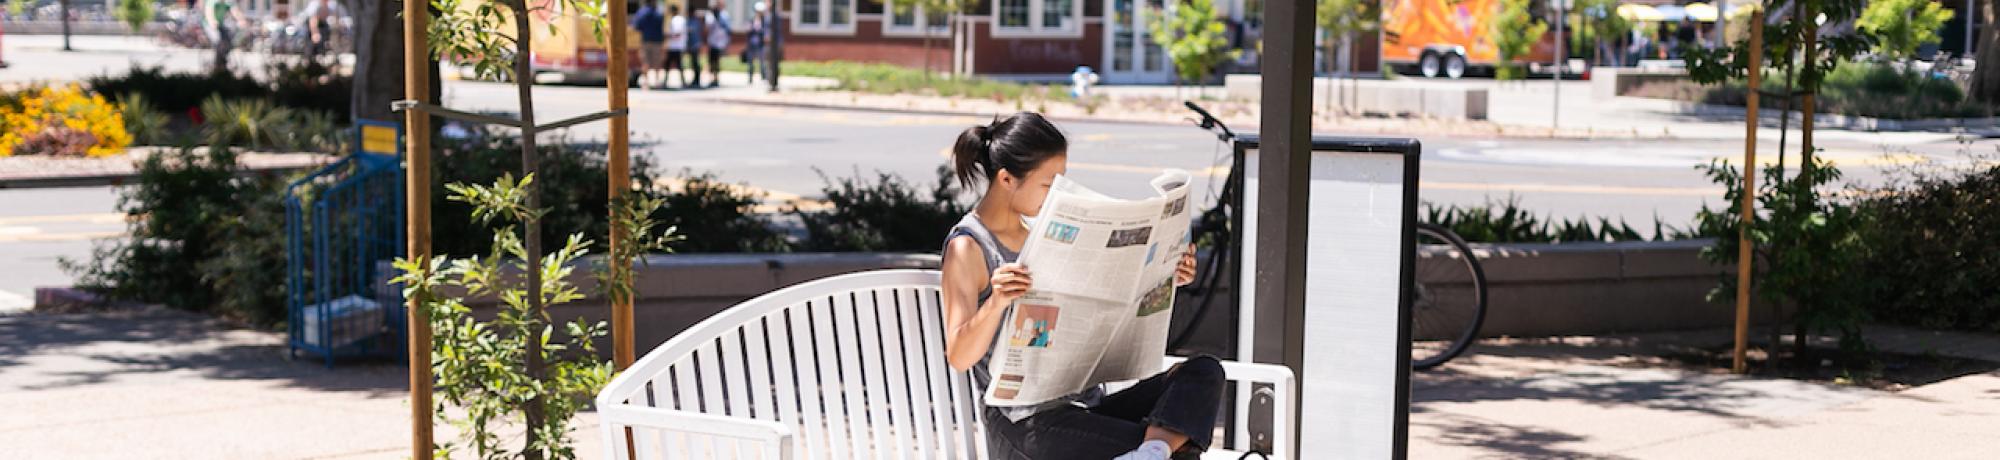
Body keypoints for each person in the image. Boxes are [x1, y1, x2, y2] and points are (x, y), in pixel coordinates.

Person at [940, 112, 1222, 460]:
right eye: (1048, 183)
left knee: (1203, 371)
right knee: (1180, 449)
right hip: (1022, 424)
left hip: (1085, 407)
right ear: (1007, 179)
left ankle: (1150, 451)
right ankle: (1153, 451)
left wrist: (1165, 276)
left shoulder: (1043, 238)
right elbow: (958, 355)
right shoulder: (968, 247)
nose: (1055, 193)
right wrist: (996, 302)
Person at [632, 0, 667, 89]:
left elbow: (636, 26)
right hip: (657, 41)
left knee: (645, 62)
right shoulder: (658, 12)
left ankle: (646, 83)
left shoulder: (642, 12)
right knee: (657, 62)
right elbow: (662, 25)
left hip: (646, 40)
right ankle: (657, 82)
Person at [704, 1, 732, 88]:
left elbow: (727, 30)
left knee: (717, 62)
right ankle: (712, 78)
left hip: (720, 43)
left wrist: (727, 42)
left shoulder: (724, 16)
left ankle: (716, 78)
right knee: (711, 61)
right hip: (712, 42)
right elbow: (707, 28)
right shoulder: (710, 16)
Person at [666, 5, 691, 88]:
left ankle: (683, 82)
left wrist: (668, 36)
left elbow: (678, 33)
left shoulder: (677, 20)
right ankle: (681, 81)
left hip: (676, 46)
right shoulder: (679, 19)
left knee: (677, 64)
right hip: (677, 45)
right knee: (670, 64)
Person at [761, 0, 782, 92]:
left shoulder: (775, 15)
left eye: (768, 2)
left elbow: (778, 29)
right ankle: (770, 82)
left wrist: (771, 37)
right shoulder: (765, 15)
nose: (766, 4)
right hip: (767, 43)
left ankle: (774, 83)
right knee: (768, 63)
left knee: (774, 63)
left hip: (775, 43)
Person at [742, 2, 766, 85]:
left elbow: (765, 32)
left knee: (762, 62)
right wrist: (752, 27)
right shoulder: (751, 20)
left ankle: (764, 77)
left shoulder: (764, 21)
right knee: (750, 62)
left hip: (760, 44)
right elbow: (747, 30)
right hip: (751, 44)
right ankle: (750, 77)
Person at [684, 7, 706, 88]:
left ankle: (697, 80)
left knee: (696, 62)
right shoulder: (688, 20)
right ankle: (695, 79)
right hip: (691, 44)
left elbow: (692, 30)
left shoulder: (695, 21)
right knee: (692, 63)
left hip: (695, 44)